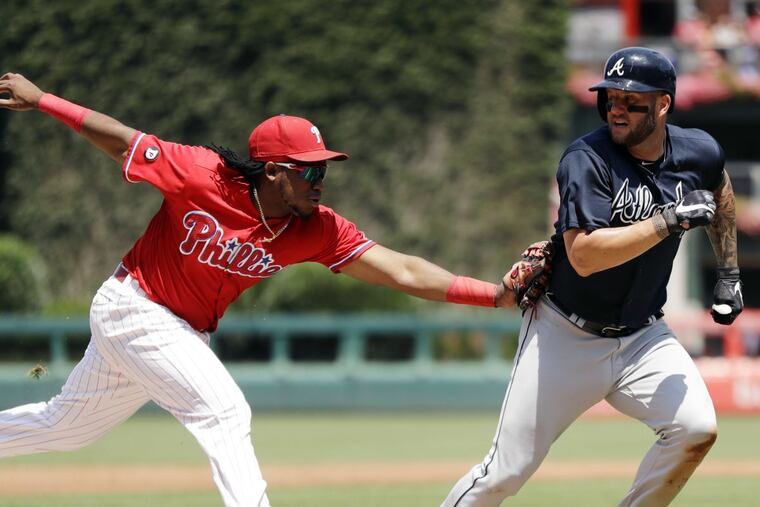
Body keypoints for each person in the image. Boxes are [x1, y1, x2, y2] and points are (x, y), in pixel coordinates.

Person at [0, 72, 544, 507]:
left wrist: (492, 294)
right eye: (308, 171)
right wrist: (43, 99)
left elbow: (400, 270)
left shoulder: (316, 228)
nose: (320, 179)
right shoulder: (199, 174)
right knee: (225, 412)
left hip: (181, 331)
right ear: (275, 171)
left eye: (322, 168)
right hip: (134, 307)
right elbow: (120, 139)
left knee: (64, 427)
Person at [443, 47, 744, 507]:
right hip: (565, 334)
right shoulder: (586, 158)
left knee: (695, 429)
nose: (616, 109)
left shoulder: (697, 150)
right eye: (610, 98)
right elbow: (582, 256)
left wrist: (728, 274)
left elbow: (719, 190)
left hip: (643, 335)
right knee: (505, 472)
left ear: (663, 104)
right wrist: (667, 221)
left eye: (631, 100)